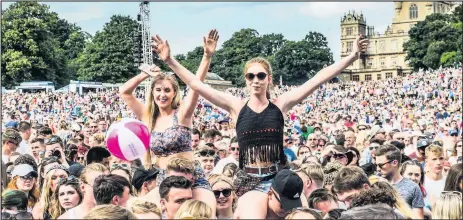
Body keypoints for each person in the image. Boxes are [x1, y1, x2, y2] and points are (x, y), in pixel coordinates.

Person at [151, 30, 369, 219]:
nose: (256, 79)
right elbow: (195, 83)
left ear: (269, 79)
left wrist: (352, 56)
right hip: (250, 179)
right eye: (251, 76)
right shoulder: (236, 106)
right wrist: (170, 60)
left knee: (302, 215)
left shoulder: (280, 105)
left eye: (260, 75)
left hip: (279, 177)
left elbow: (318, 79)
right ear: (246, 80)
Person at [120, 29, 219, 212]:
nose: (162, 95)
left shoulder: (182, 114)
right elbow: (124, 92)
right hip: (164, 180)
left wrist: (206, 57)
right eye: (158, 90)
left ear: (174, 93)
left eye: (167, 90)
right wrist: (145, 74)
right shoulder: (147, 116)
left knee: (206, 213)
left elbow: (196, 85)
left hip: (191, 177)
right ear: (152, 93)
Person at [374, 144, 424, 218]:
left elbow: (418, 217)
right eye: (376, 165)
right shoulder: (374, 185)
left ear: (394, 162)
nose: (378, 169)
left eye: (381, 165)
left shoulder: (413, 187)